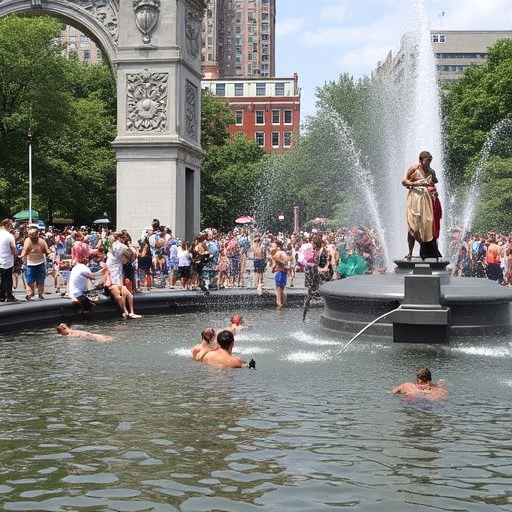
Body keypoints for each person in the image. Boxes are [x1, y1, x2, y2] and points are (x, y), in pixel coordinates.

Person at [402, 151, 442, 260]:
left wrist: (435, 192)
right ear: (421, 160)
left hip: (427, 200)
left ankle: (429, 247)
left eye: (430, 160)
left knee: (427, 225)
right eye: (427, 160)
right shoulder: (414, 168)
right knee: (412, 226)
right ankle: (410, 251)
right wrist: (416, 183)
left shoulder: (431, 172)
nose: (429, 163)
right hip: (414, 198)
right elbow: (404, 181)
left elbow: (433, 183)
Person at [21, 226, 50, 300]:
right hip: (30, 263)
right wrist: (20, 258)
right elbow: (24, 252)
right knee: (29, 280)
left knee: (41, 279)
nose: (32, 236)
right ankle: (30, 292)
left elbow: (46, 251)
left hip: (40, 262)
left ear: (37, 234)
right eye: (31, 234)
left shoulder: (41, 241)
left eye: (34, 234)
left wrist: (51, 254)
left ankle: (40, 293)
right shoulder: (27, 241)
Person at [0, 218, 18, 303]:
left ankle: (1, 296)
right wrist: (16, 255)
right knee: (7, 279)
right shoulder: (9, 236)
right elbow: (14, 249)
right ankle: (9, 296)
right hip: (6, 260)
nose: (11, 227)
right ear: (7, 225)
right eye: (10, 225)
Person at [270, 240, 288, 307]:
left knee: (278, 292)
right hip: (283, 273)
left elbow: (274, 267)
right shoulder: (283, 253)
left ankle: (279, 308)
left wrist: (275, 259)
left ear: (278, 247)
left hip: (279, 273)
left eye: (273, 246)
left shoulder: (278, 254)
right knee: (281, 290)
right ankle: (282, 305)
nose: (272, 248)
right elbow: (285, 264)